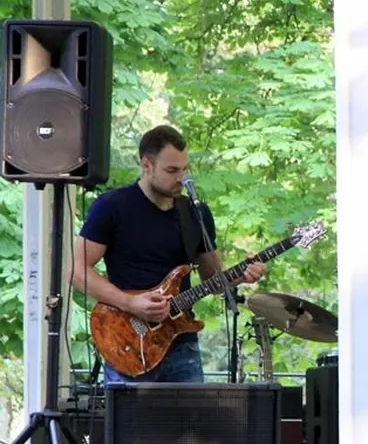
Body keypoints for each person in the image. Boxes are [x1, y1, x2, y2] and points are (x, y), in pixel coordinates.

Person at [71, 125, 266, 383]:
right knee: (131, 424)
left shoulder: (196, 213)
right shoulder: (112, 206)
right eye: (172, 170)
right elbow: (75, 269)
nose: (182, 178)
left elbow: (213, 279)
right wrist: (130, 303)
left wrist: (242, 275)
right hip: (128, 339)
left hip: (181, 342)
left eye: (185, 169)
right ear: (146, 165)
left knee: (189, 424)